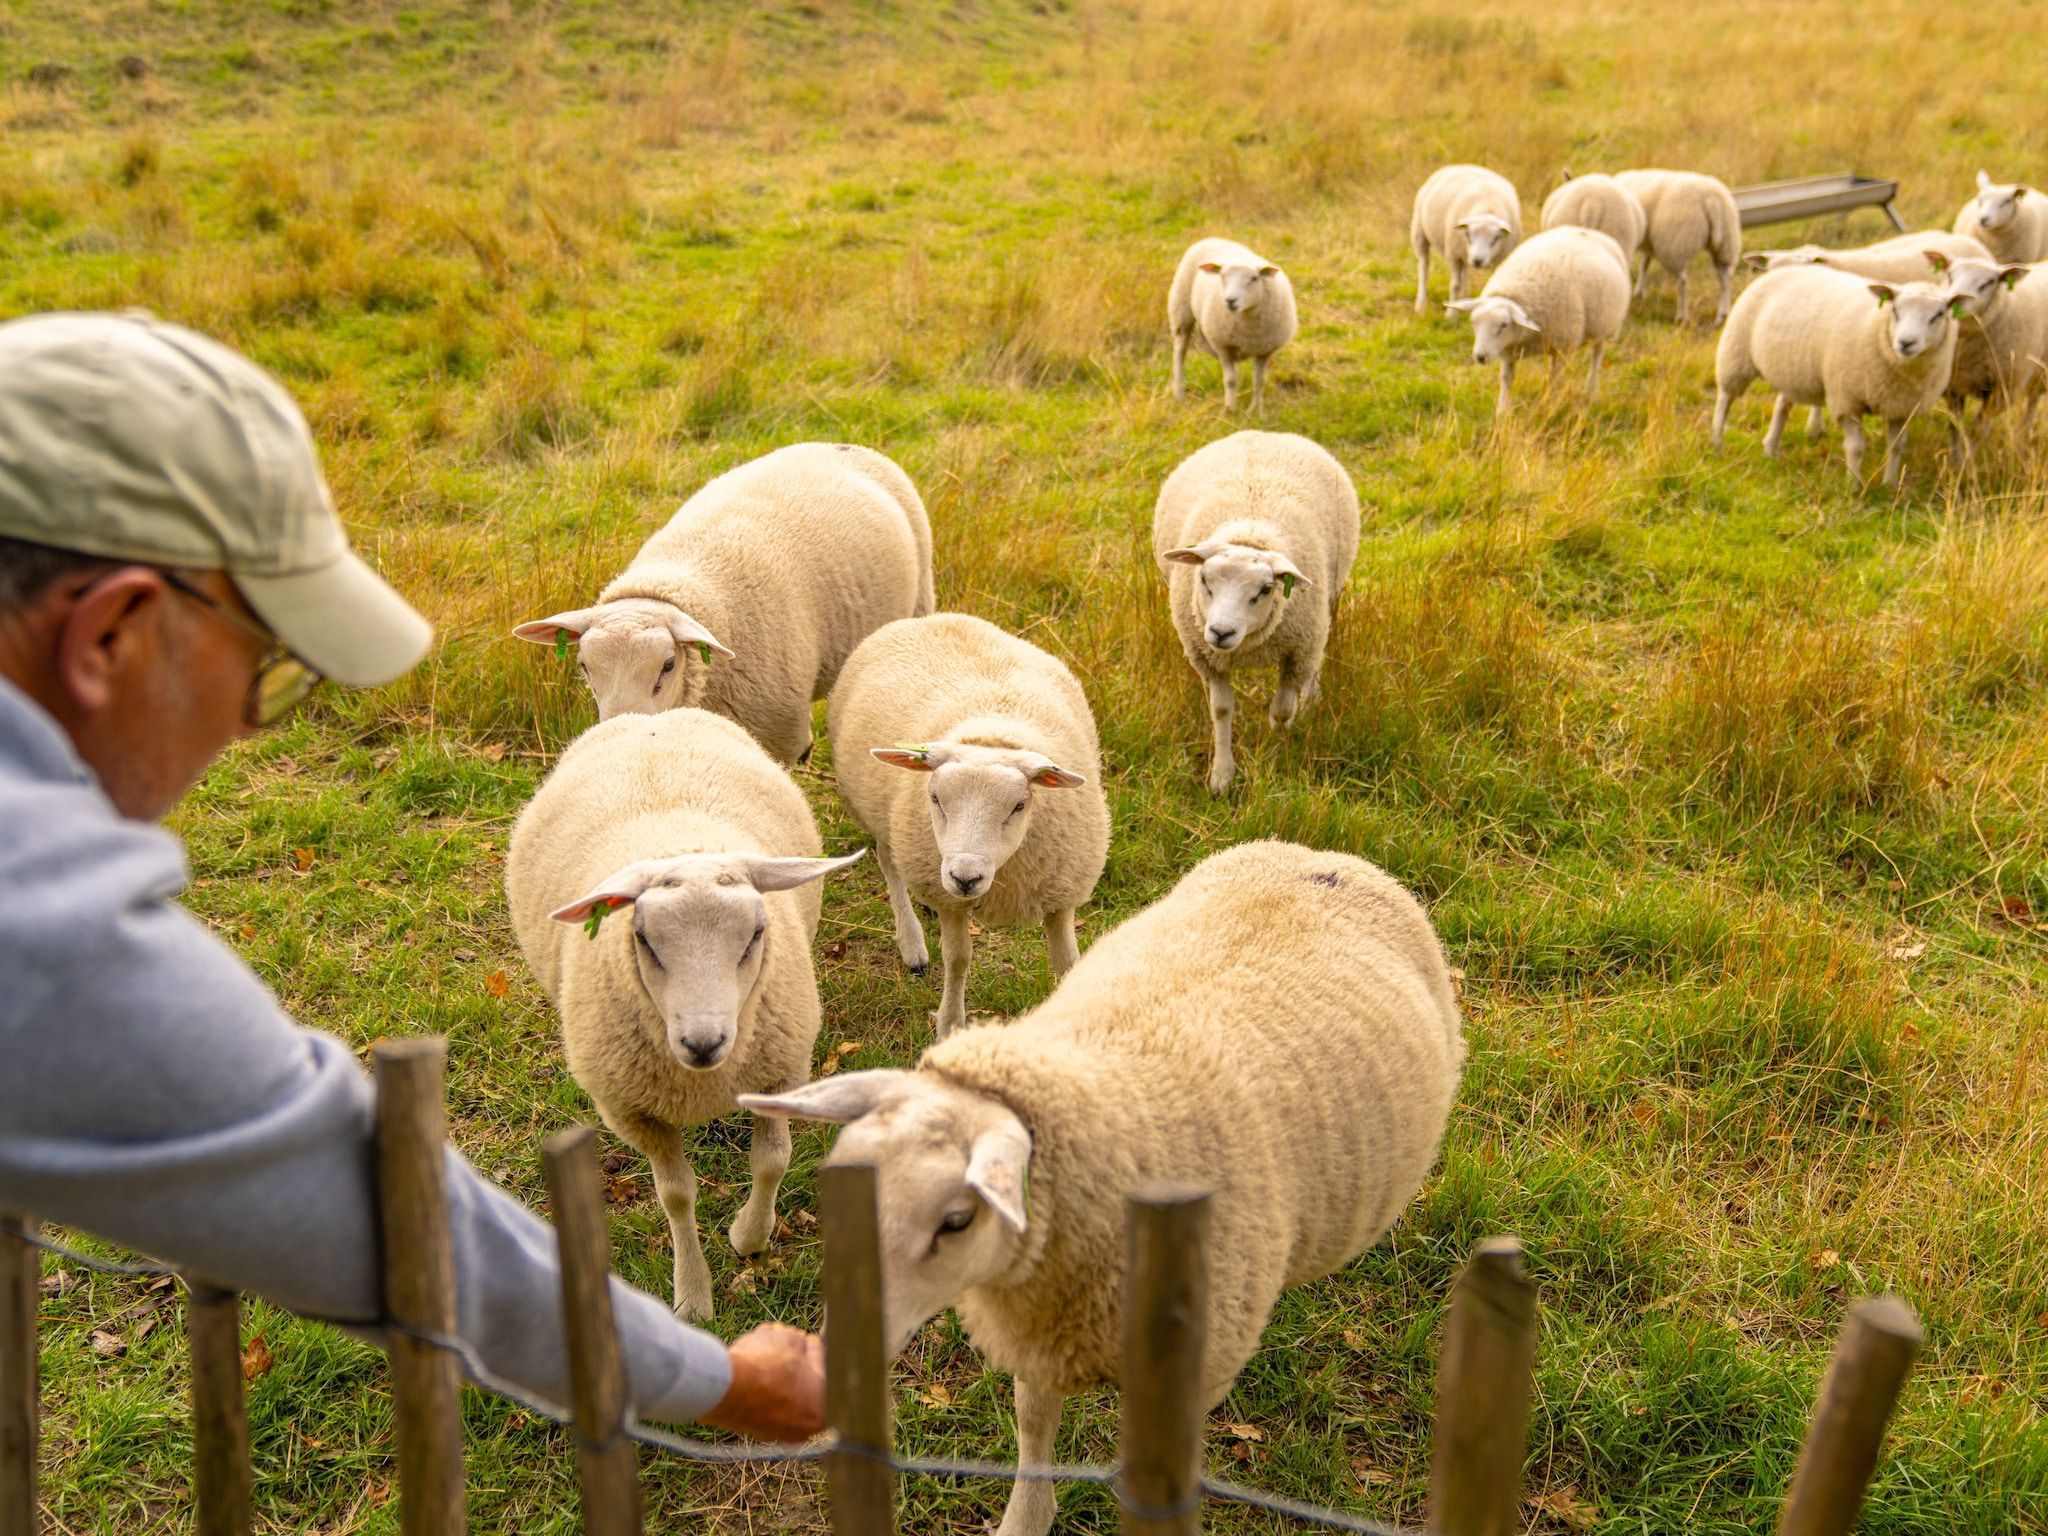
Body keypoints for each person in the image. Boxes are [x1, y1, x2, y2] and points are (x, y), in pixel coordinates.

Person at [0, 311, 825, 1441]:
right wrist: (720, 1381)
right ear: (108, 637)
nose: (246, 730)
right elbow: (350, 1196)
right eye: (266, 674)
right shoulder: (34, 918)